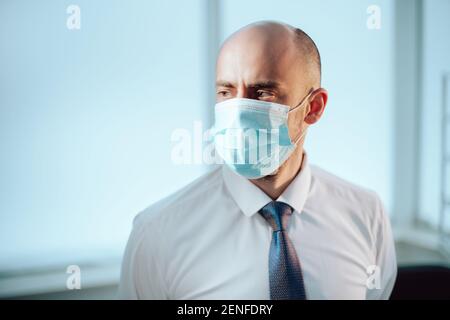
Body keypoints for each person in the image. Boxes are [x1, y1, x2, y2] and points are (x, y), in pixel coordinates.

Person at [118, 21, 397, 300]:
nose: (238, 114)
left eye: (263, 93)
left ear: (313, 108)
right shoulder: (157, 235)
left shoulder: (366, 214)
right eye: (226, 92)